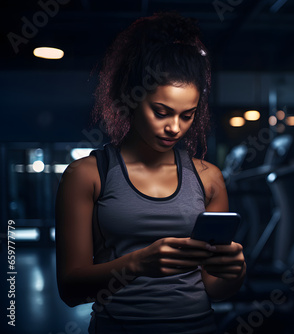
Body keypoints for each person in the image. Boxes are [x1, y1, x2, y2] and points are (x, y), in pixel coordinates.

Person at [55, 11, 246, 334]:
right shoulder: (86, 176)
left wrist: (234, 272)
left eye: (187, 115)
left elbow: (215, 289)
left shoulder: (209, 178)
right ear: (132, 98)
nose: (174, 127)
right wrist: (137, 264)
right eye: (161, 112)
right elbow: (70, 290)